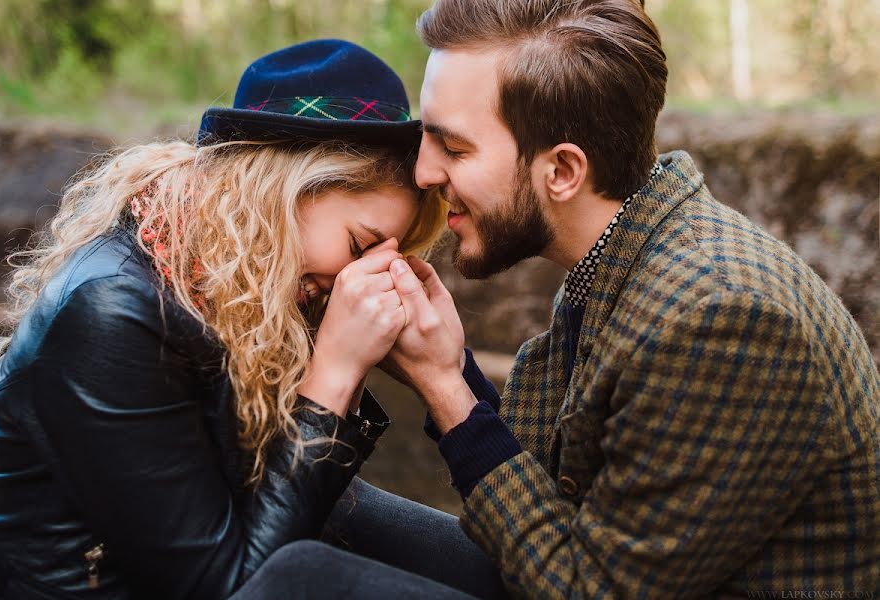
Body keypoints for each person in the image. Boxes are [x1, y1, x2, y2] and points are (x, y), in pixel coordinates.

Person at [321, 1, 880, 598]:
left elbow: (590, 586)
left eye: (453, 148)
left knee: (303, 576)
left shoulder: (719, 315)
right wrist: (450, 365)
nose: (425, 173)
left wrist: (445, 390)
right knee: (333, 515)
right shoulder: (626, 252)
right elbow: (542, 491)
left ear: (562, 170)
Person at [0, 39, 485, 599]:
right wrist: (334, 375)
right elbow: (230, 587)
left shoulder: (238, 286)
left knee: (490, 569)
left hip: (248, 546)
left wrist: (442, 368)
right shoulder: (110, 312)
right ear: (282, 189)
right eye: (359, 244)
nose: (356, 278)